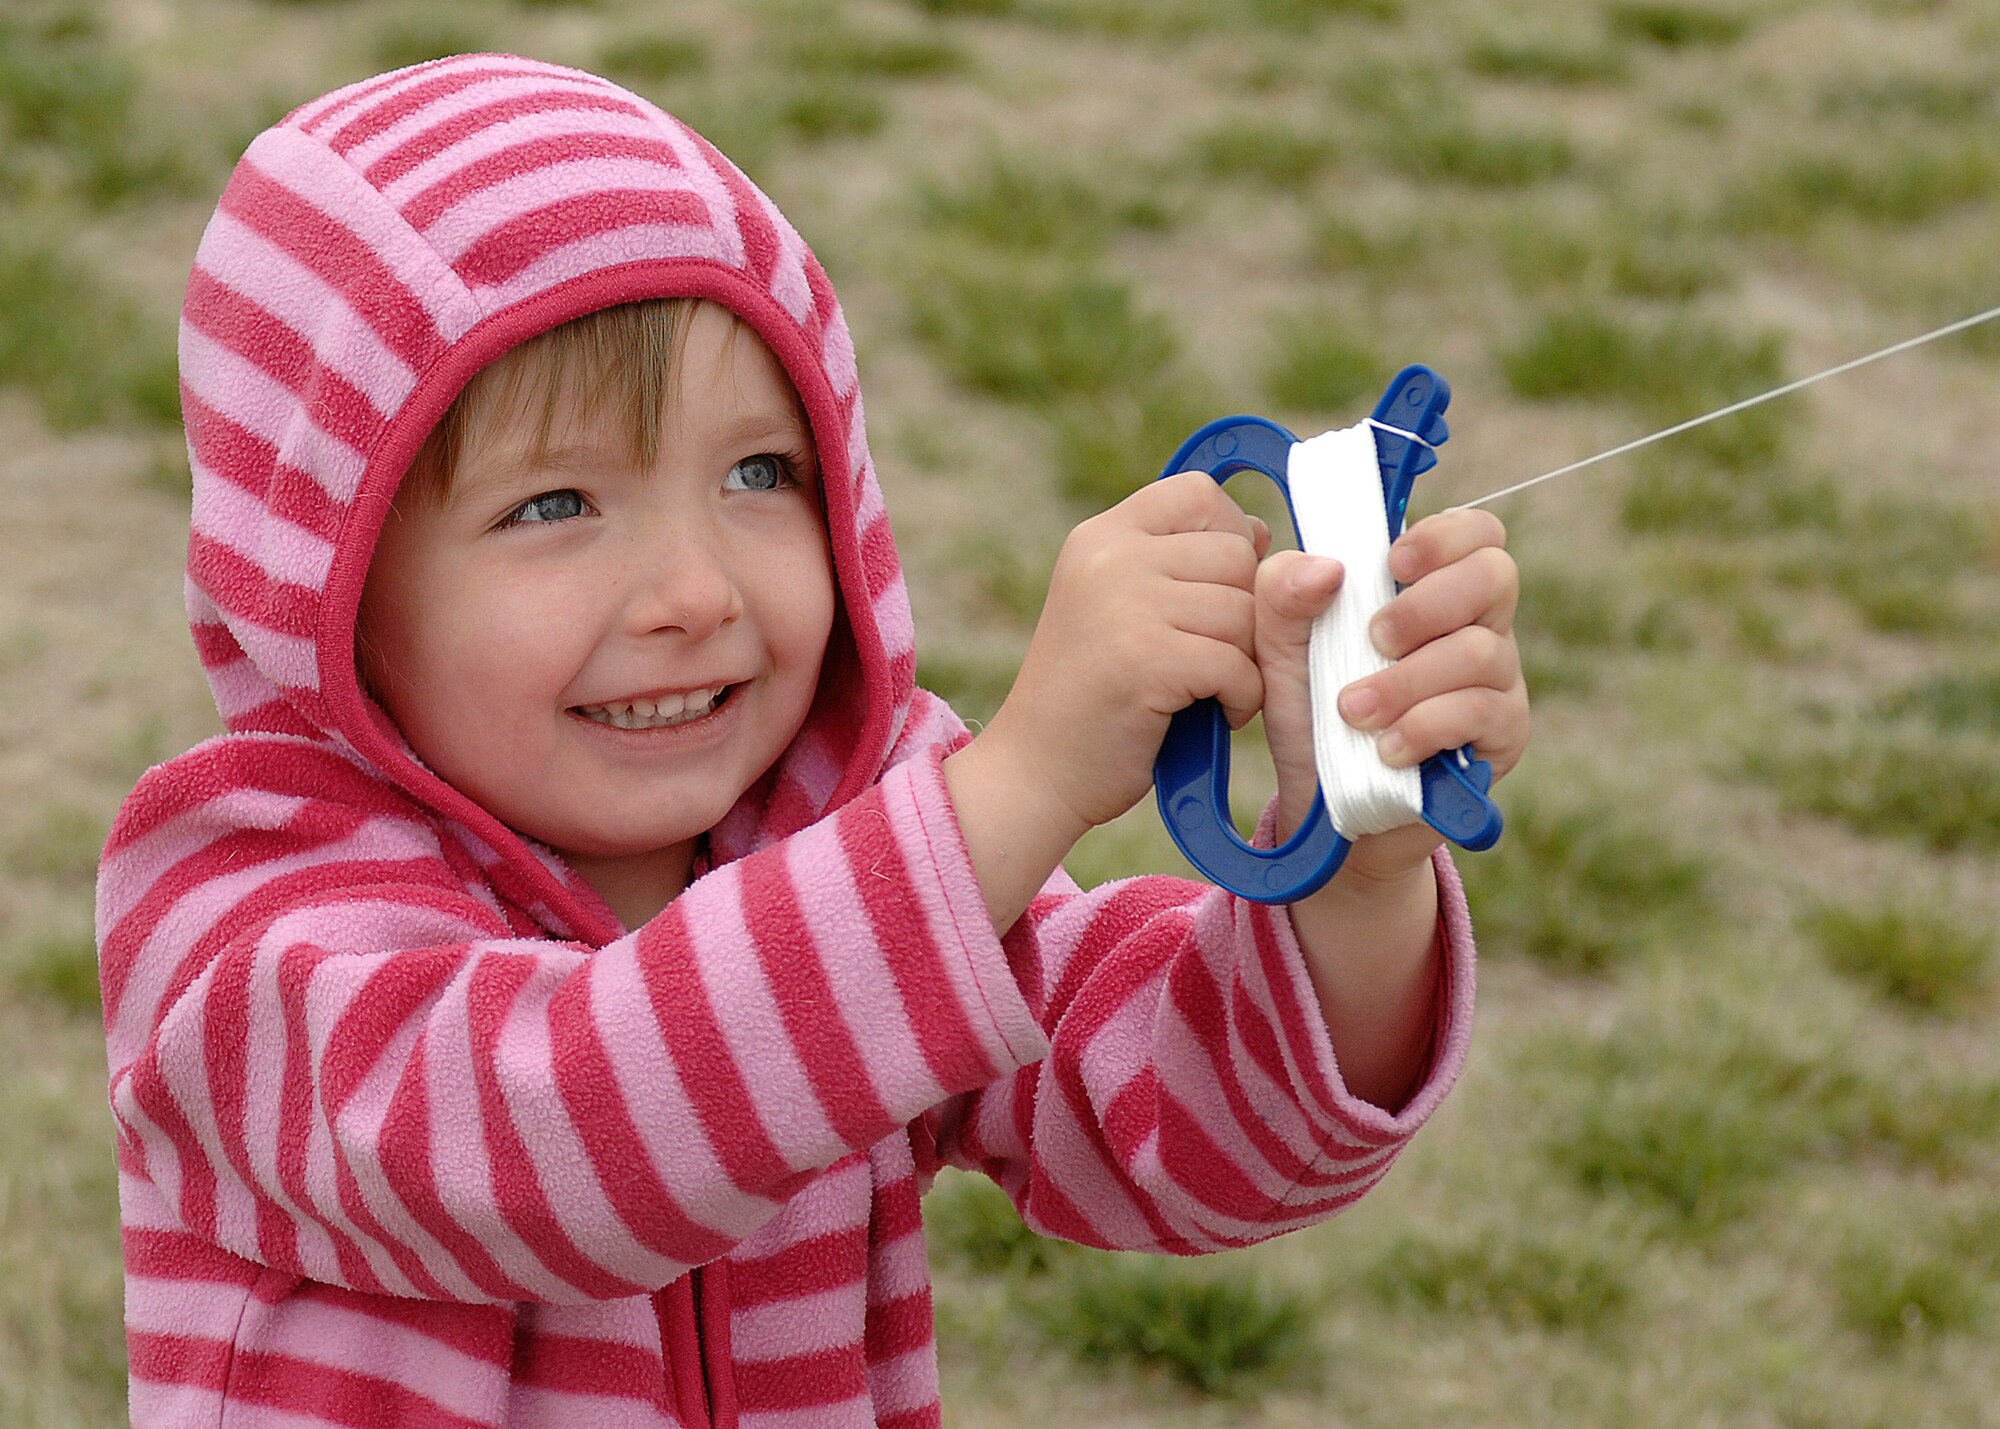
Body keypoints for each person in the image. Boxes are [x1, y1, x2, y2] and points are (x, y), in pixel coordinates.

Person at [95, 53, 1528, 1429]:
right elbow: (563, 1140)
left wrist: (1359, 855)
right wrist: (1014, 791)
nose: (696, 594)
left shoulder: (843, 822)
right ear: (324, 576)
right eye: (556, 506)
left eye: (760, 473)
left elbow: (1177, 1130)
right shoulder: (236, 914)